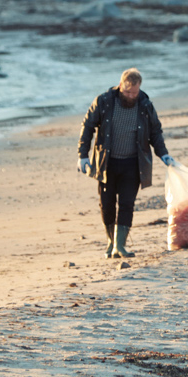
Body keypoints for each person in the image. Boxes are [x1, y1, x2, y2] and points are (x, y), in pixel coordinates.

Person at [77, 68, 172, 258]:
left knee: (127, 204)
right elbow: (87, 126)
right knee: (107, 204)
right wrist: (83, 155)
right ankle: (111, 242)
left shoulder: (145, 105)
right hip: (107, 164)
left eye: (134, 93)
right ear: (121, 86)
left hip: (132, 164)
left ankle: (120, 246)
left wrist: (164, 155)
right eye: (128, 92)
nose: (131, 96)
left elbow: (155, 132)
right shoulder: (103, 101)